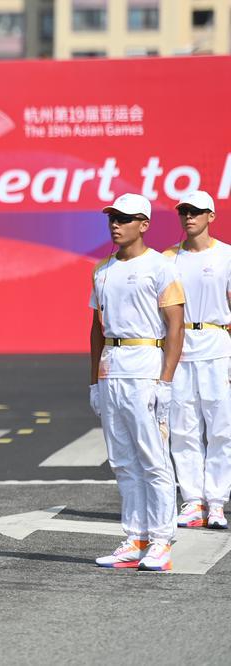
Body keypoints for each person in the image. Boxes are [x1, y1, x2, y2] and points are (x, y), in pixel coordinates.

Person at [90, 193, 185, 572]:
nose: (116, 224)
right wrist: (93, 382)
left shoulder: (160, 267)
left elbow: (175, 326)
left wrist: (165, 381)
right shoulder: (102, 269)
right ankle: (136, 537)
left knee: (153, 458)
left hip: (146, 364)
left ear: (144, 224)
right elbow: (95, 329)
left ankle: (161, 540)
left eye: (125, 219)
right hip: (112, 367)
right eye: (113, 217)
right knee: (122, 460)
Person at [163, 191, 231, 530]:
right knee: (183, 427)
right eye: (184, 211)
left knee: (221, 428)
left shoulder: (227, 256)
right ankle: (192, 501)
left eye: (196, 211)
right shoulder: (167, 259)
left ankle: (216, 502)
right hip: (180, 345)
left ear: (211, 216)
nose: (189, 216)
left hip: (218, 343)